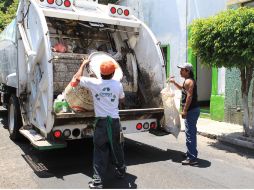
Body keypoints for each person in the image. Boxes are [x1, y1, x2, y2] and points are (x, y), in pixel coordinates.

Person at [72, 59, 126, 189]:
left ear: (99, 73)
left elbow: (76, 78)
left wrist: (84, 63)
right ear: (113, 74)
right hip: (114, 122)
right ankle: (121, 170)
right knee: (117, 147)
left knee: (100, 151)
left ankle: (98, 182)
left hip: (101, 124)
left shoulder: (94, 83)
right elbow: (122, 99)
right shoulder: (118, 85)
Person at [169, 62, 200, 166]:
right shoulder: (187, 81)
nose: (180, 71)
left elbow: (189, 97)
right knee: (191, 133)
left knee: (190, 134)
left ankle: (192, 158)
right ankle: (191, 153)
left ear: (188, 71)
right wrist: (174, 82)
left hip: (191, 111)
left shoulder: (189, 82)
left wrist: (185, 110)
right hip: (193, 110)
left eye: (182, 69)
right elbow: (183, 90)